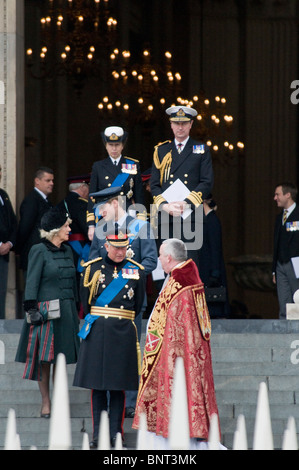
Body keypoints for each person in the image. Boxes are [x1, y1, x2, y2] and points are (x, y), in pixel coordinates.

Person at [132, 238, 220, 449]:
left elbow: (175, 330)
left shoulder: (179, 285)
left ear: (169, 258)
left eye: (161, 255)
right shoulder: (188, 278)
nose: (160, 259)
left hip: (177, 356)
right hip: (190, 354)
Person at [88, 186, 157, 418]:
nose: (98, 212)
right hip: (104, 305)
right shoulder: (100, 230)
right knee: (104, 353)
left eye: (102, 206)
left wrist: (128, 271)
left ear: (115, 204)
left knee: (129, 354)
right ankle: (104, 398)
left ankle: (129, 400)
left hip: (129, 304)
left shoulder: (141, 227)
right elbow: (91, 264)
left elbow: (150, 261)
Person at [73, 230, 145, 448]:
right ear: (106, 246)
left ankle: (116, 433)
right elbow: (85, 303)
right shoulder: (92, 268)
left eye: (124, 247)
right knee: (97, 388)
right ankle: (99, 434)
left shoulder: (136, 271)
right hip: (97, 333)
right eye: (116, 248)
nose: (121, 252)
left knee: (118, 388)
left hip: (122, 333)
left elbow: (139, 303)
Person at [15, 206, 80, 418]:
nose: (69, 229)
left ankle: (59, 399)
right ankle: (46, 402)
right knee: (45, 361)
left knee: (61, 359)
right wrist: (31, 309)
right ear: (55, 229)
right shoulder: (38, 250)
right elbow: (31, 281)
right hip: (45, 313)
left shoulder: (68, 250)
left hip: (67, 312)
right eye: (66, 225)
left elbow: (73, 282)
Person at [150, 106, 214, 270]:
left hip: (190, 216)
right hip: (167, 217)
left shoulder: (201, 150)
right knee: (167, 266)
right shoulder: (161, 150)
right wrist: (165, 205)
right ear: (171, 124)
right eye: (176, 123)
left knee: (189, 266)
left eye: (184, 123)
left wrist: (185, 203)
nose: (180, 127)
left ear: (191, 124)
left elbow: (207, 182)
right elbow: (154, 184)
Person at [87, 126, 144, 242]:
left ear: (122, 145)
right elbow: (92, 198)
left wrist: (141, 220)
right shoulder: (98, 167)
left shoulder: (132, 165)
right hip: (105, 216)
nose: (114, 148)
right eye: (110, 145)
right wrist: (91, 225)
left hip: (127, 216)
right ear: (106, 146)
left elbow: (139, 196)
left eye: (117, 145)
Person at [16, 166, 54, 274]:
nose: (52, 183)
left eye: (52, 180)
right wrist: (19, 249)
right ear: (37, 181)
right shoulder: (32, 200)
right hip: (33, 254)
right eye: (48, 180)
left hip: (43, 254)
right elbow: (24, 227)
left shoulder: (45, 201)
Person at [198, 196, 230, 318]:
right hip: (206, 267)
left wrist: (215, 272)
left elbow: (215, 248)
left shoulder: (212, 220)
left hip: (211, 268)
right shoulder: (205, 220)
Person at [272, 182, 299, 318]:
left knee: (297, 301)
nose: (275, 198)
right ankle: (283, 335)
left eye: (278, 194)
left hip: (296, 264)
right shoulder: (279, 218)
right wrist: (273, 270)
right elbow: (276, 244)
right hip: (280, 265)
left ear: (288, 195)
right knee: (283, 304)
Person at [0, 164, 18, 318]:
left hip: (4, 254)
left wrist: (9, 244)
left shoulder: (3, 195)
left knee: (1, 291)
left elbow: (13, 223)